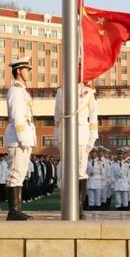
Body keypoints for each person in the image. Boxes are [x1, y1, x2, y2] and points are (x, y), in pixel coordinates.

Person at [54, 80, 99, 218]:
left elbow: (93, 116)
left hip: (81, 134)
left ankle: (79, 207)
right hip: (65, 133)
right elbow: (56, 115)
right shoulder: (61, 91)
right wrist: (56, 136)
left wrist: (92, 137)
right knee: (66, 172)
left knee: (80, 171)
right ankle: (66, 205)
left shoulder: (88, 91)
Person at [4, 56, 36, 220]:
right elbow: (17, 116)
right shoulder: (15, 90)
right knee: (15, 173)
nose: (29, 72)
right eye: (26, 69)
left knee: (21, 173)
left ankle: (17, 209)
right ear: (18, 71)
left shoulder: (22, 91)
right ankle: (13, 210)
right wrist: (23, 138)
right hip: (18, 137)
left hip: (24, 137)